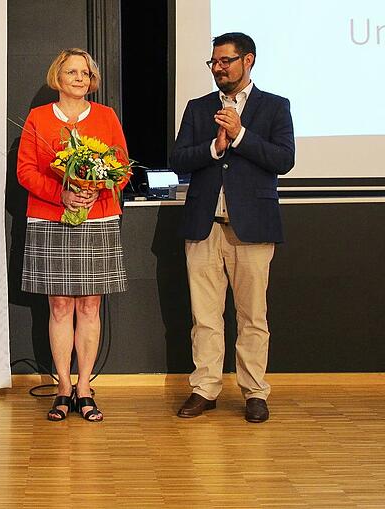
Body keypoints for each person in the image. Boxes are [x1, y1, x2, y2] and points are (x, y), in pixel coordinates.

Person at [170, 33, 295, 423]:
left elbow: (283, 159)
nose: (218, 68)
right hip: (204, 226)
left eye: (225, 61)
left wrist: (240, 135)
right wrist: (215, 148)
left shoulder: (274, 107)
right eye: (214, 62)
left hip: (252, 227)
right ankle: (204, 389)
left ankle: (255, 392)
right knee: (204, 316)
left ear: (248, 60)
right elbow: (178, 159)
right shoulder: (198, 107)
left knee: (252, 316)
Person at [17, 48, 129, 422]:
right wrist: (61, 194)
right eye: (72, 72)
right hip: (50, 220)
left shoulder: (106, 117)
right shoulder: (37, 118)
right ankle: (63, 388)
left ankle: (85, 389)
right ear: (58, 77)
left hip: (97, 219)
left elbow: (123, 168)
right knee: (60, 306)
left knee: (90, 306)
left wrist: (100, 185)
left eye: (85, 72)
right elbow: (26, 172)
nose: (80, 78)